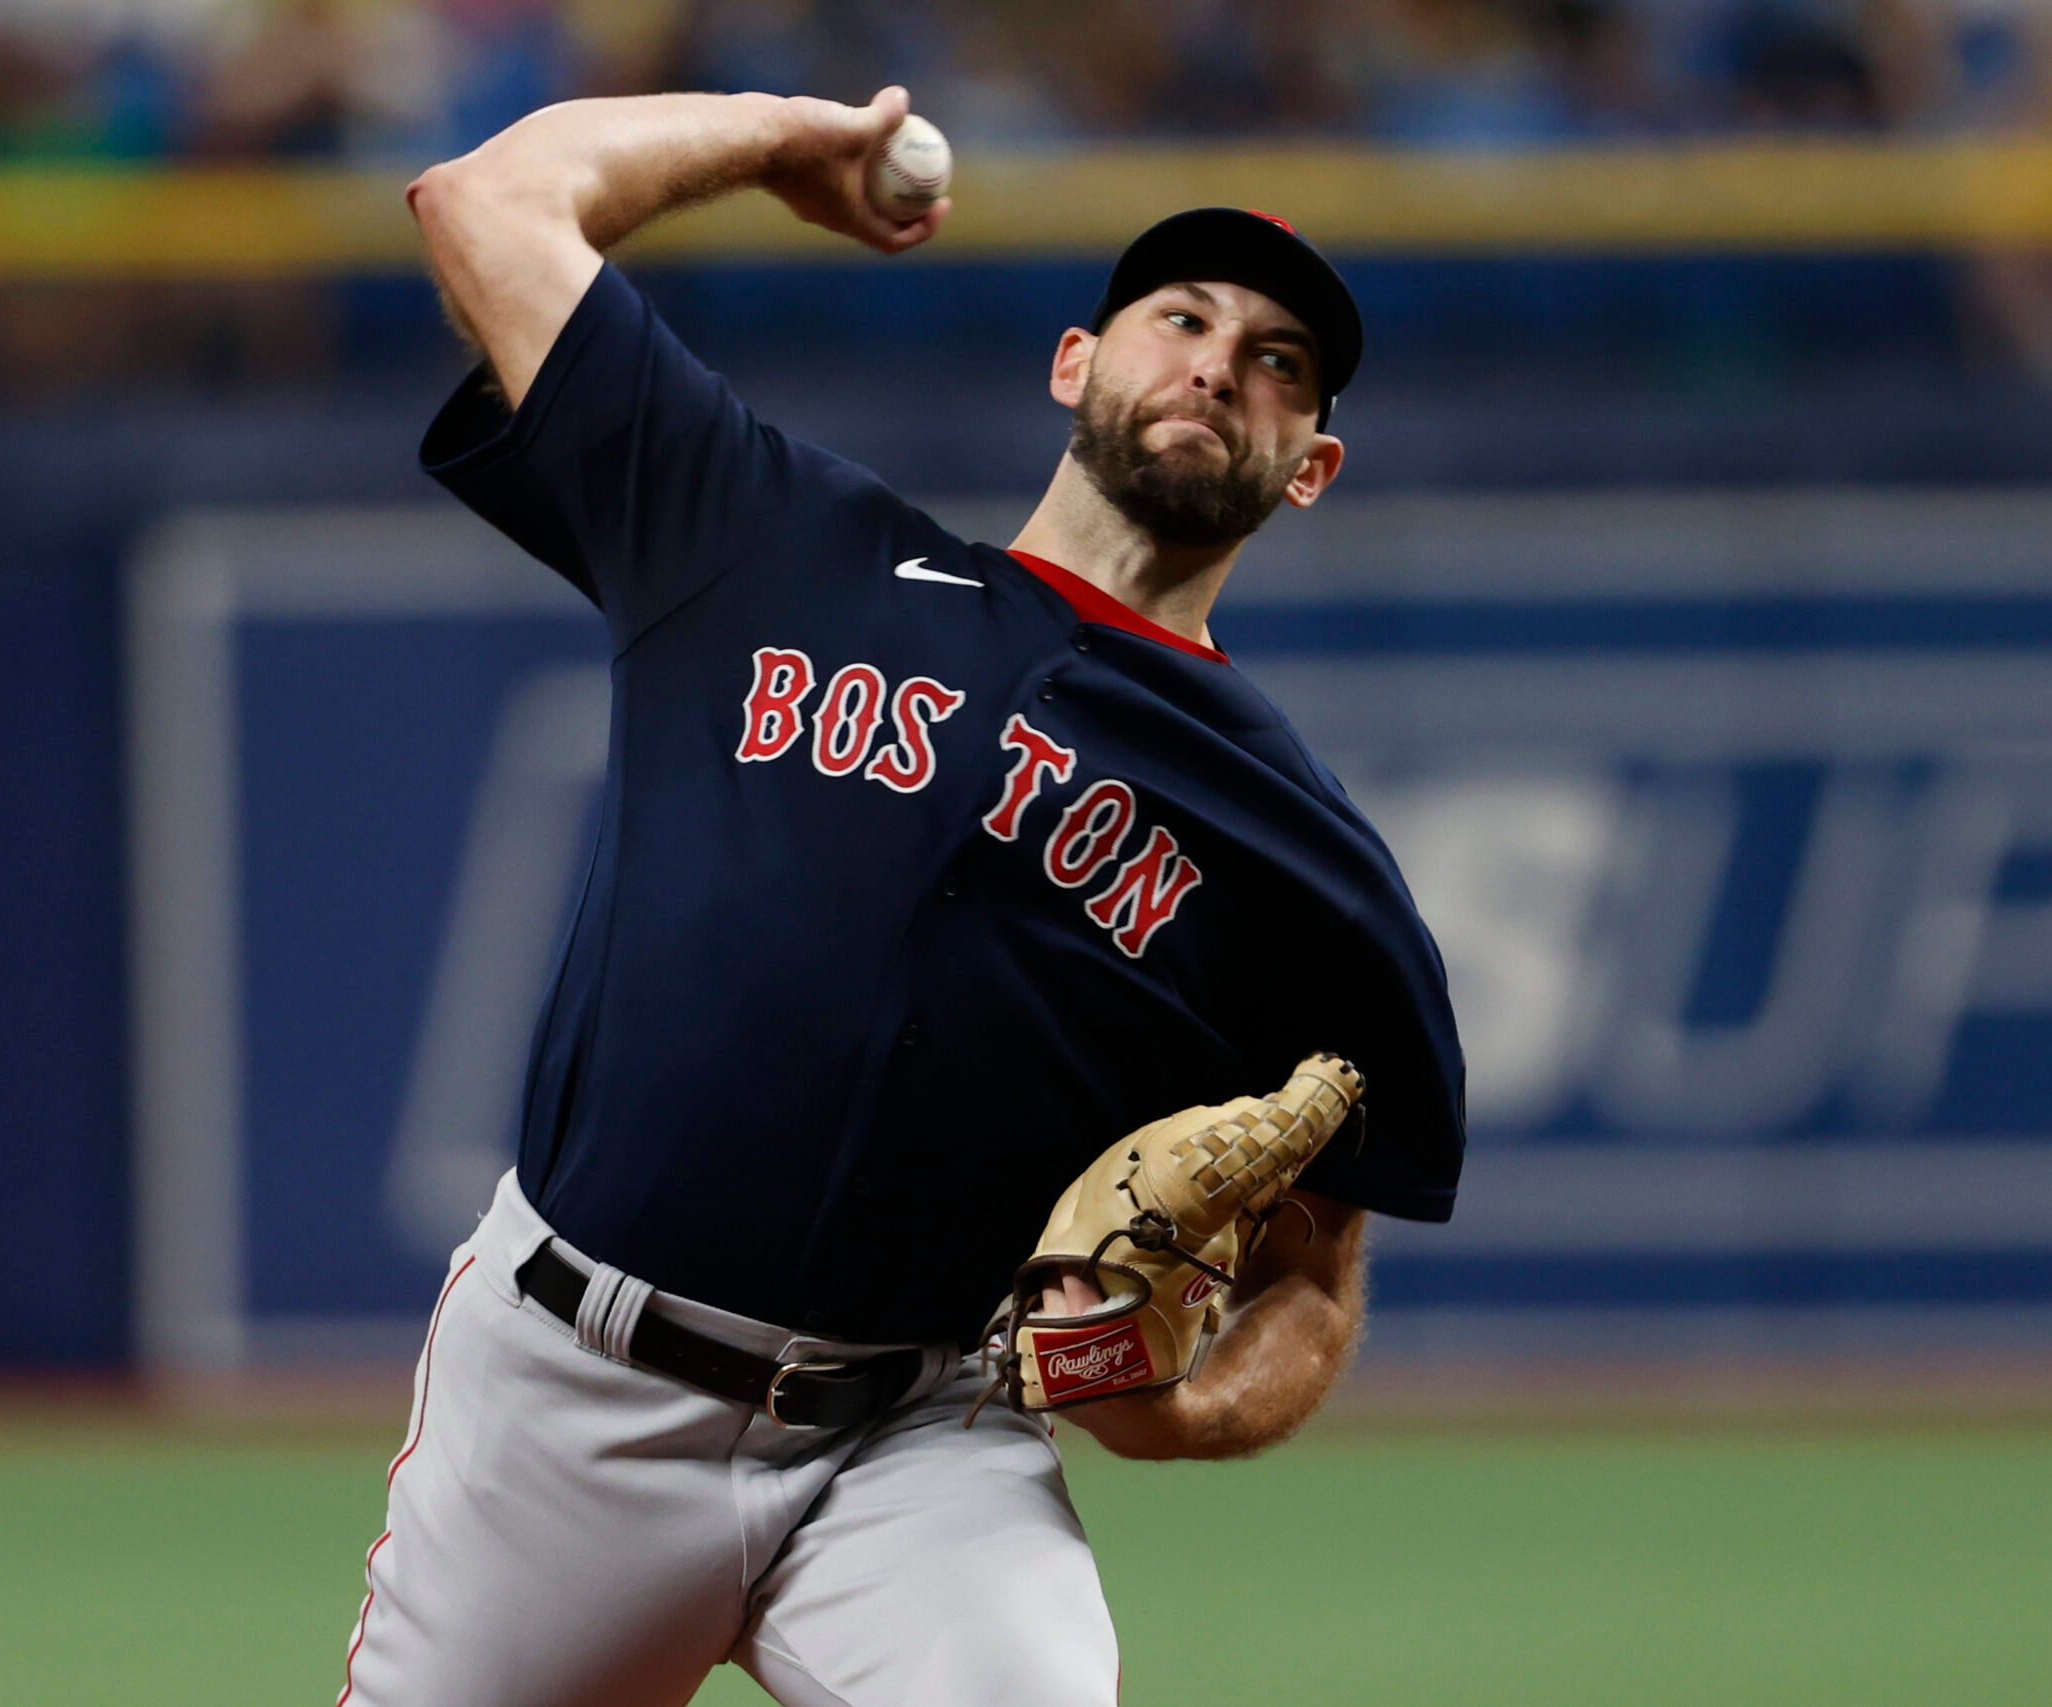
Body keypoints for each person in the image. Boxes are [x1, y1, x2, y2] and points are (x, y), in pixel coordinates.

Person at [339, 83, 1466, 1707]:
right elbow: (482, 205)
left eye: (1279, 360)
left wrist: (1182, 1409)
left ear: (1311, 465)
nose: (1221, 362)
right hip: (569, 1396)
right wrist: (785, 136)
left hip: (924, 1440)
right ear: (1077, 366)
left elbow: (1315, 1280)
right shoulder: (772, 542)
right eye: (1182, 317)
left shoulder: (1305, 859)